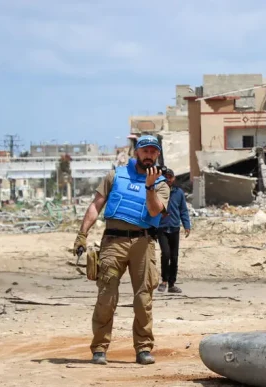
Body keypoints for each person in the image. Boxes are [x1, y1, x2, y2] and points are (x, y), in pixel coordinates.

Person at [73, 135, 169, 366]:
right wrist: (82, 234)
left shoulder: (162, 183)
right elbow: (96, 205)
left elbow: (155, 211)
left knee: (143, 298)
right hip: (113, 242)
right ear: (137, 152)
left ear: (157, 155)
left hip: (143, 243)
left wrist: (149, 187)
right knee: (106, 295)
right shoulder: (115, 175)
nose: (149, 155)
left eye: (153, 152)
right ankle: (99, 348)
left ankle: (144, 348)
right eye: (145, 151)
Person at [157, 168, 191, 294]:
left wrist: (186, 225)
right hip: (161, 228)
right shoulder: (158, 192)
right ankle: (164, 281)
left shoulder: (179, 193)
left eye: (170, 177)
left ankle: (172, 284)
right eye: (166, 177)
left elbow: (183, 210)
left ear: (174, 178)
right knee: (165, 254)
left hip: (175, 228)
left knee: (174, 257)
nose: (168, 179)